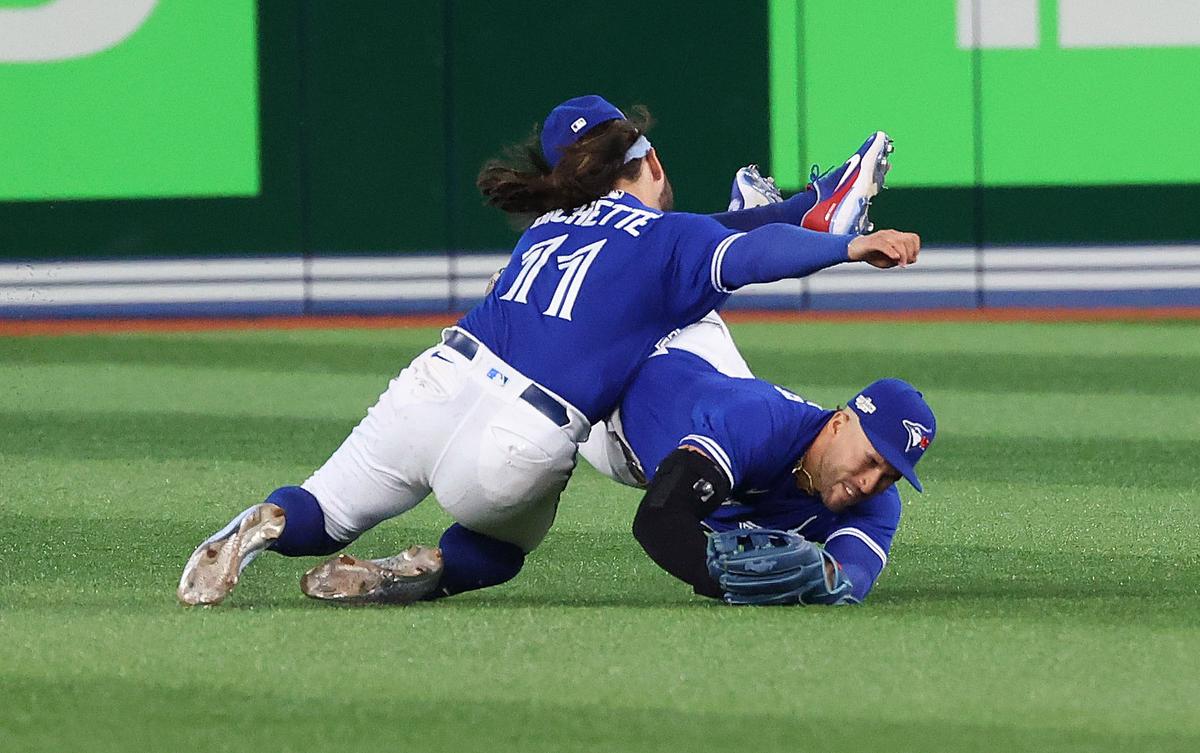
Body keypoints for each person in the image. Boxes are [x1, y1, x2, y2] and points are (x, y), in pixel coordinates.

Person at [178, 94, 920, 606]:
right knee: (499, 549)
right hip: (521, 436)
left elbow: (704, 241)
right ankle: (430, 571)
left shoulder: (548, 227)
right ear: (652, 165)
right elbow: (746, 256)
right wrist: (842, 243)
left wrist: (773, 216)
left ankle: (262, 525)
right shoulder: (672, 235)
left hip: (436, 380)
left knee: (323, 509)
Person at [577, 312, 935, 604]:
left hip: (707, 387)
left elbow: (850, 579)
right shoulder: (758, 424)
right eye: (871, 460)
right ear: (839, 423)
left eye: (890, 475)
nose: (871, 483)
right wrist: (724, 580)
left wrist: (825, 581)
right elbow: (658, 519)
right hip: (613, 402)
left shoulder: (878, 504)